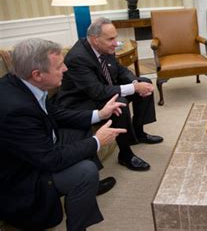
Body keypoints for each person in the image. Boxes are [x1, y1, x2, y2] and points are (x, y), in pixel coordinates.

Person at [0, 38, 127, 230]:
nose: (66, 69)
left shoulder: (19, 82)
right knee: (86, 171)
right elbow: (49, 160)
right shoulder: (16, 110)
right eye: (59, 66)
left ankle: (88, 189)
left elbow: (56, 113)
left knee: (80, 129)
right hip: (20, 178)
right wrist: (97, 141)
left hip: (36, 148)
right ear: (37, 74)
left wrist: (99, 114)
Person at [55, 17, 163, 172]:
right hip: (82, 100)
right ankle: (125, 155)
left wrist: (135, 84)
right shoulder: (78, 58)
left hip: (102, 90)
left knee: (144, 81)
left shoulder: (104, 48)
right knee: (120, 103)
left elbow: (120, 70)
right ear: (95, 39)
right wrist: (134, 88)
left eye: (116, 38)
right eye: (111, 39)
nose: (115, 43)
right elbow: (97, 92)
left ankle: (138, 133)